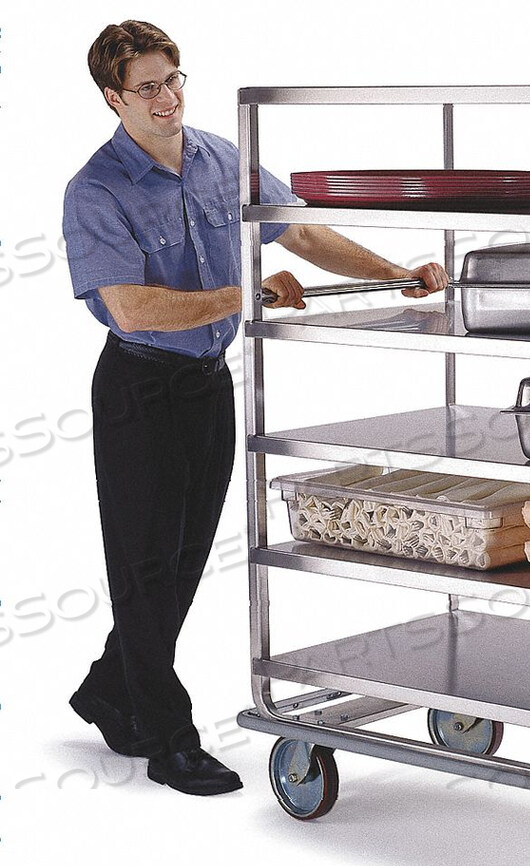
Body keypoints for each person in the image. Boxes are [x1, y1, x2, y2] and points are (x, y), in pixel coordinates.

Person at [63, 20, 448, 797]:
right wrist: (245, 294)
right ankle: (168, 739)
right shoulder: (95, 190)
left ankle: (108, 688)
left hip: (207, 380)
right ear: (113, 98)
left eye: (173, 80)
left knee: (184, 560)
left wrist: (394, 274)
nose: (167, 99)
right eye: (147, 87)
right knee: (144, 564)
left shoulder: (221, 161)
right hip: (139, 387)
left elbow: (301, 233)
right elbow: (132, 307)